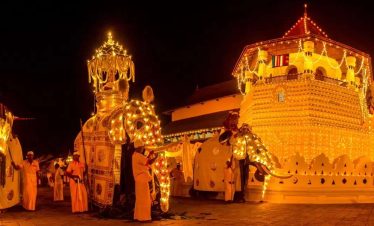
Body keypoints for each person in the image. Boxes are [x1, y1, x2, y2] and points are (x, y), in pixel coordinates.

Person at [132, 142, 157, 222]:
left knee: (139, 199)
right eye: (142, 147)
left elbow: (144, 161)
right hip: (142, 180)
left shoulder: (134, 155)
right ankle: (144, 218)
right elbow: (148, 162)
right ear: (138, 148)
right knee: (145, 199)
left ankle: (138, 216)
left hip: (138, 180)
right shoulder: (138, 156)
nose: (143, 149)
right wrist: (156, 157)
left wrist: (149, 155)